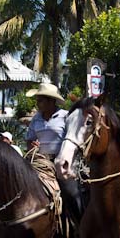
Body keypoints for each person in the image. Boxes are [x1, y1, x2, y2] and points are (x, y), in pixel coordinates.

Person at [25, 83, 83, 222]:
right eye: (37, 100)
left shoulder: (66, 116)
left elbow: (73, 139)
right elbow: (29, 140)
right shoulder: (36, 118)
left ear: (51, 101)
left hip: (61, 163)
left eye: (40, 100)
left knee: (71, 192)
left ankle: (80, 224)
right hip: (39, 162)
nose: (37, 103)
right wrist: (32, 145)